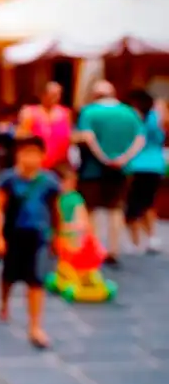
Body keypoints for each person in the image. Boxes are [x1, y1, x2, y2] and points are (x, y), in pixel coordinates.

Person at [0, 135, 61, 350]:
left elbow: (55, 211)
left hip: (38, 236)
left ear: (42, 156)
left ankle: (35, 326)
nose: (30, 158)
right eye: (25, 152)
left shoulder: (49, 182)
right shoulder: (8, 180)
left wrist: (58, 236)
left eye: (34, 153)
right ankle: (4, 304)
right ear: (17, 155)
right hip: (13, 234)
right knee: (9, 275)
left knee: (36, 280)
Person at [74, 81, 145, 267]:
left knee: (91, 209)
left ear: (95, 95)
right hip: (122, 169)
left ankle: (94, 248)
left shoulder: (89, 112)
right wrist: (124, 158)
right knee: (116, 209)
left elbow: (88, 138)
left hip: (93, 169)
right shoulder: (130, 112)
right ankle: (114, 249)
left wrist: (104, 158)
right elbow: (140, 139)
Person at [124, 90, 165, 254]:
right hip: (156, 165)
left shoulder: (134, 119)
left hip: (136, 165)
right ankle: (152, 238)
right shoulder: (156, 118)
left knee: (132, 205)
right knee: (148, 203)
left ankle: (135, 242)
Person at [17, 82, 72, 172]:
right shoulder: (29, 112)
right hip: (37, 165)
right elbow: (21, 137)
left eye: (59, 94)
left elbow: (69, 136)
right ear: (44, 95)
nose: (56, 98)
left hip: (60, 164)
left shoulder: (65, 113)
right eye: (53, 95)